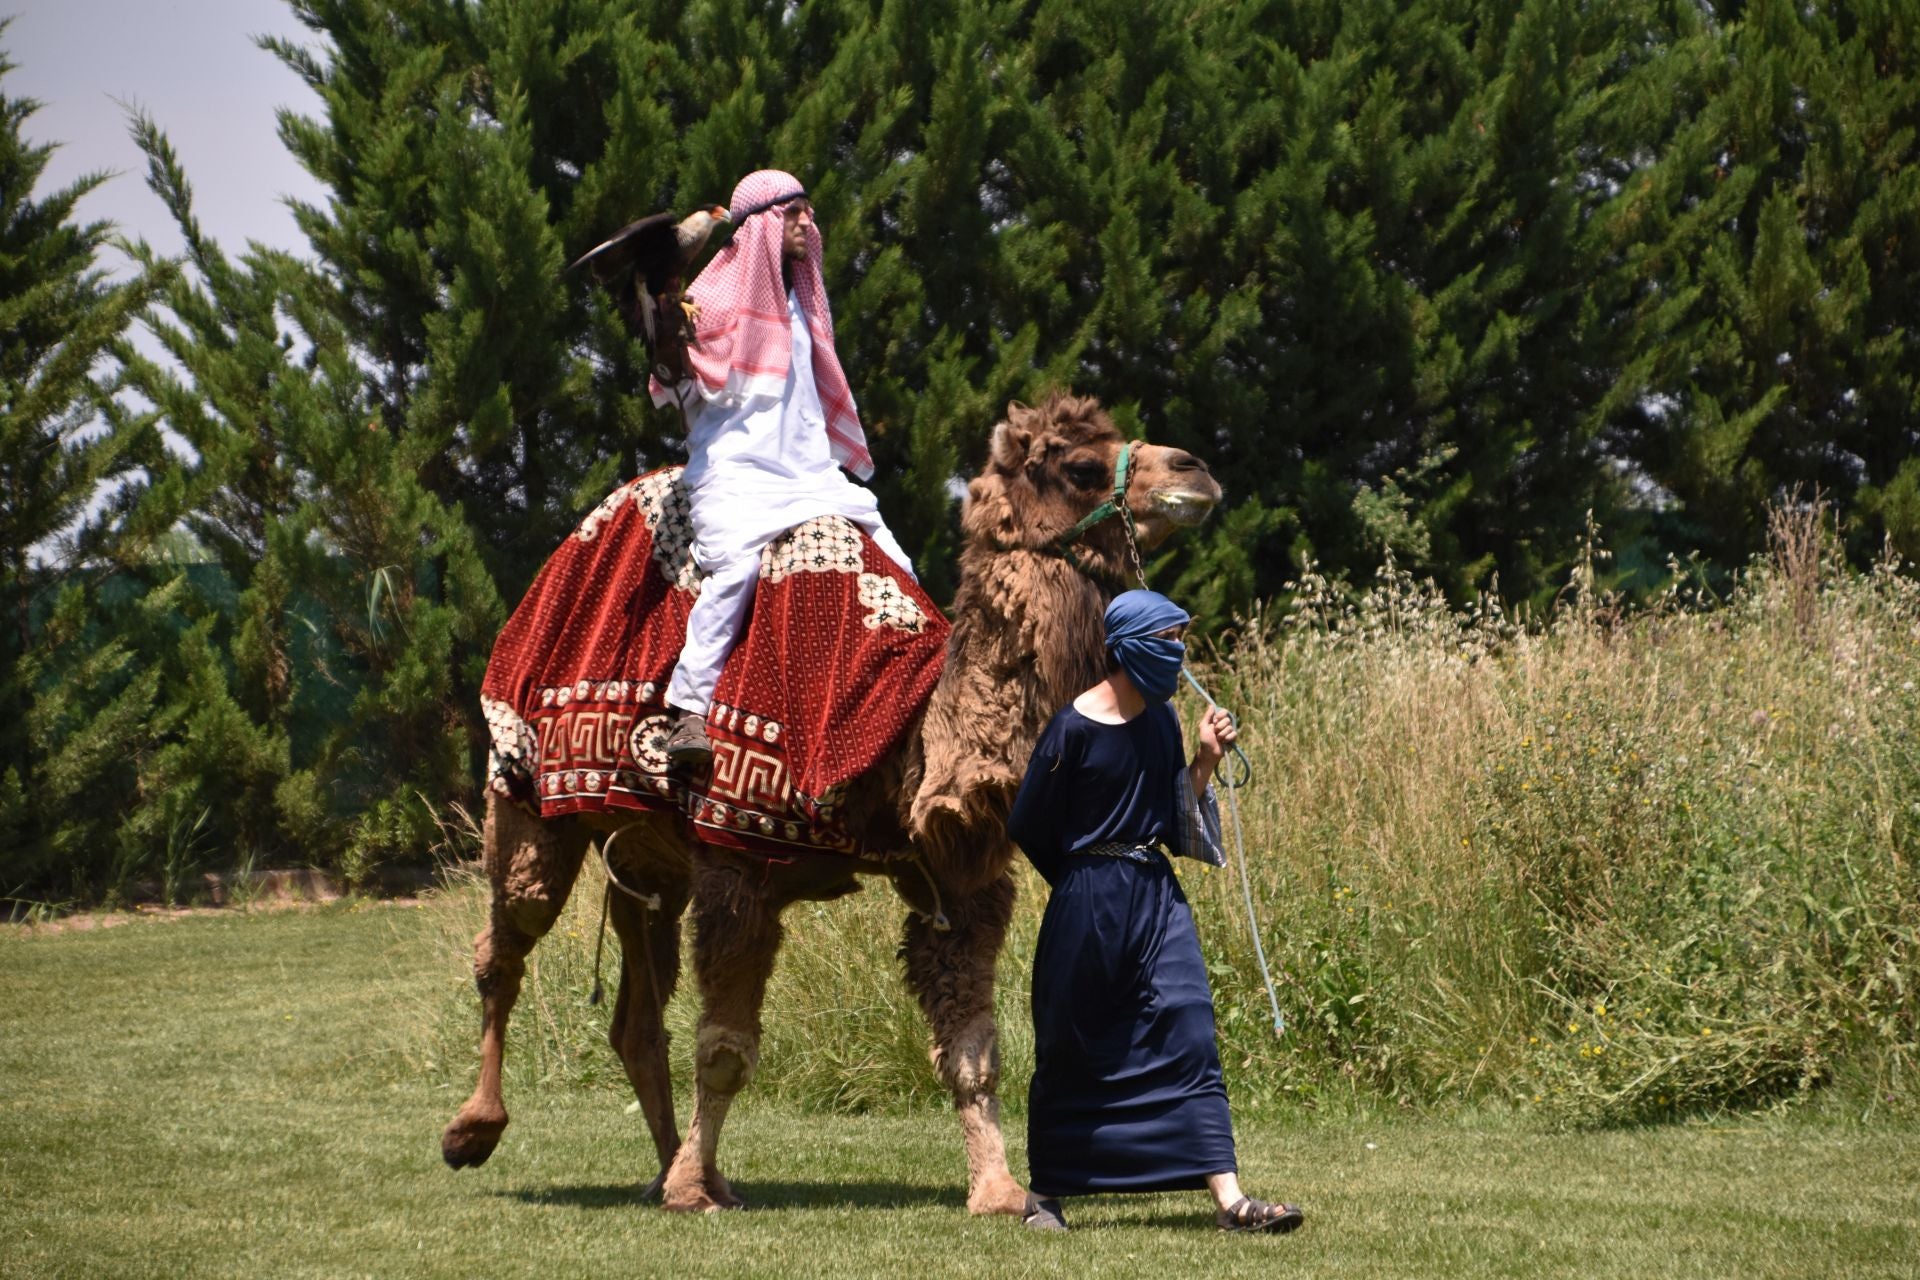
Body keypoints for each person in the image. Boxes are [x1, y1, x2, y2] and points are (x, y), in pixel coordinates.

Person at [1006, 589, 1305, 1234]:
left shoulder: (1163, 722)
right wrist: (1082, 881)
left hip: (1157, 896)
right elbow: (1029, 823)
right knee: (1073, 1039)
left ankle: (1230, 1201)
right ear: (1132, 645)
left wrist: (1204, 759)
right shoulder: (1072, 729)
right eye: (1170, 640)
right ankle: (1048, 1194)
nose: (1180, 653)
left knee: (1189, 1024)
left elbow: (1173, 821)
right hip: (1087, 901)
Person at [651, 168, 915, 767]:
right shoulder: (710, 302)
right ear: (764, 222)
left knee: (897, 560)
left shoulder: (804, 306)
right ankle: (689, 711)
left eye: (809, 212)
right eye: (793, 212)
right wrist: (672, 341)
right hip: (736, 476)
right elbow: (681, 388)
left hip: (811, 478)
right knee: (737, 572)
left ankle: (926, 685)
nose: (807, 223)